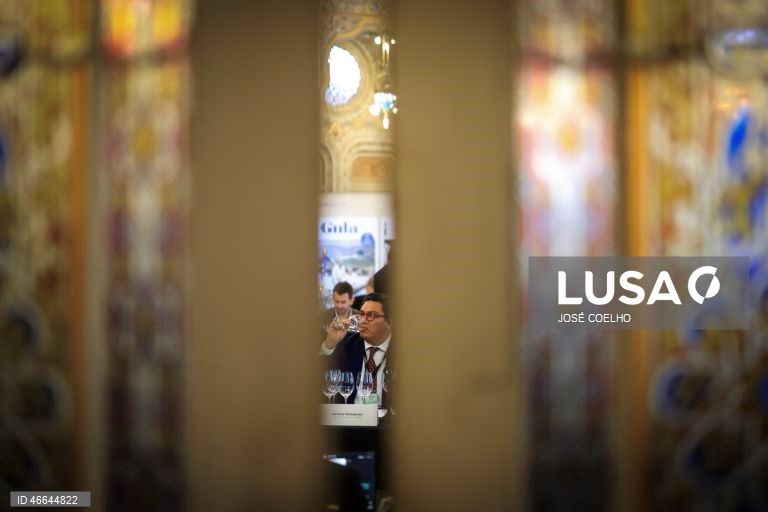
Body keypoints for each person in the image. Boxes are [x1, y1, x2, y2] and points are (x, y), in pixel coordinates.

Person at [321, 293, 391, 406]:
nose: (363, 320)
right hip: (350, 419)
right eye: (361, 314)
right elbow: (319, 375)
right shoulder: (346, 344)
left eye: (371, 315)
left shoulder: (405, 351)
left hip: (389, 421)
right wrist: (330, 343)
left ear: (390, 322)